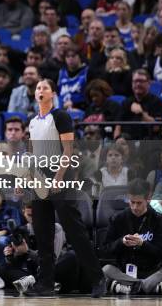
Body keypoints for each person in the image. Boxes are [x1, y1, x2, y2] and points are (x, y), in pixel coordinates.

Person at [26, 79, 106, 297]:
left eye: (44, 87)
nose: (40, 90)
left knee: (74, 230)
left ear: (53, 93)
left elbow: (68, 151)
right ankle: (45, 283)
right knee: (43, 233)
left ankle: (98, 278)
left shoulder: (60, 116)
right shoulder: (32, 122)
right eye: (38, 88)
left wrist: (59, 178)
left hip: (59, 175)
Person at [103, 178, 162, 294]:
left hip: (151, 272)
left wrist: (143, 244)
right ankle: (147, 288)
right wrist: (121, 242)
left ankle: (124, 288)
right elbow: (106, 248)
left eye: (139, 203)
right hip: (124, 273)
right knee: (106, 269)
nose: (134, 207)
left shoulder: (158, 219)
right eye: (132, 202)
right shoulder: (118, 218)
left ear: (148, 198)